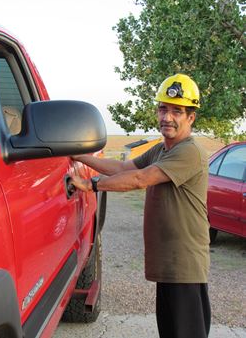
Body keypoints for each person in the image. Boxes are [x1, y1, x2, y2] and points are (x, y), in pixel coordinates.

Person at [70, 73, 211, 338]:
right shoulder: (162, 149)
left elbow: (139, 178)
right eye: (163, 109)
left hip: (185, 263)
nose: (167, 117)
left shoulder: (190, 151)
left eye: (177, 111)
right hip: (169, 263)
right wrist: (82, 157)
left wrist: (93, 185)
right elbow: (124, 167)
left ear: (191, 117)